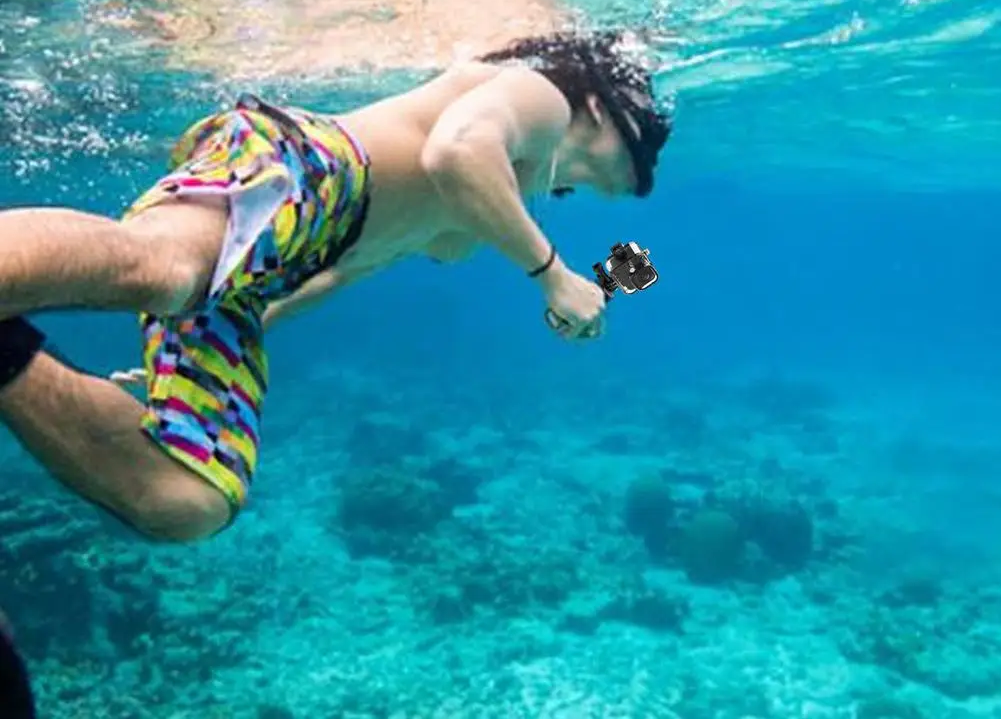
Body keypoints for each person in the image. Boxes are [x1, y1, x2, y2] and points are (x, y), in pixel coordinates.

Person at [0, 31, 672, 543]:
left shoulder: (494, 202)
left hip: (273, 270)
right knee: (163, 269)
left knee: (190, 499)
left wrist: (219, 336)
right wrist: (551, 275)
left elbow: (350, 266)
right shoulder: (543, 95)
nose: (594, 183)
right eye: (621, 157)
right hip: (309, 166)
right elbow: (454, 151)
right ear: (599, 105)